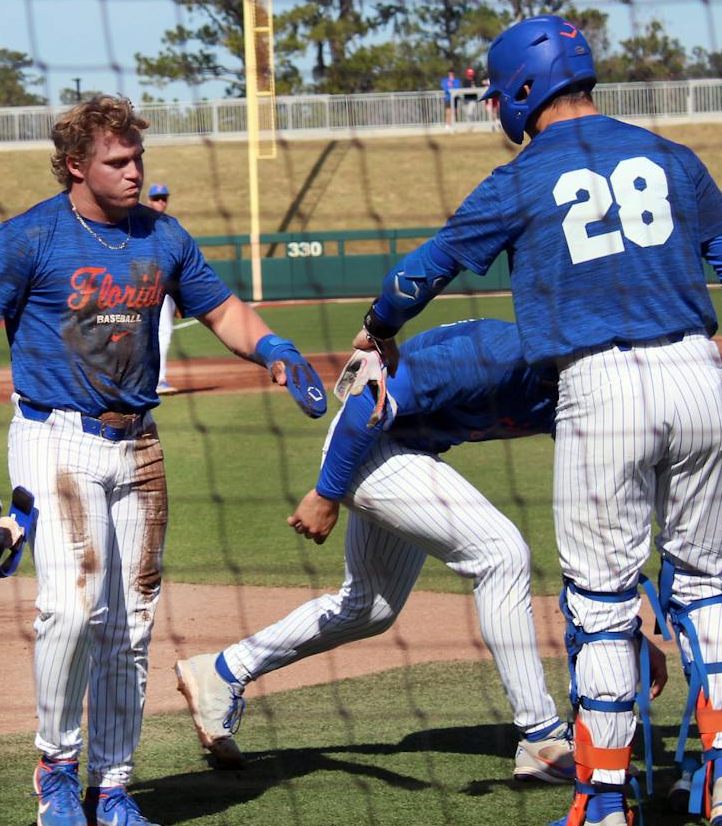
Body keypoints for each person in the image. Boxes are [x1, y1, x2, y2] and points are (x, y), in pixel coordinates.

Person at [353, 15, 722, 826]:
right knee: (706, 587)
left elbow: (423, 270)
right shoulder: (668, 152)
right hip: (697, 372)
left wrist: (378, 327)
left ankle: (605, 815)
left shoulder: (520, 178)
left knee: (600, 602)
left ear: (518, 90)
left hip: (600, 388)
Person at [0, 95, 328, 826]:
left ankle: (114, 785)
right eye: (117, 160)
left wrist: (276, 349)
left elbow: (223, 310)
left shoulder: (163, 236)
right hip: (55, 439)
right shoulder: (29, 237)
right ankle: (54, 765)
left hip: (138, 446)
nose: (134, 170)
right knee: (72, 610)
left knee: (133, 625)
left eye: (137, 157)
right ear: (76, 164)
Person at [175, 317, 671, 777]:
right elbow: (364, 403)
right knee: (502, 555)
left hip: (409, 453)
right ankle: (541, 737)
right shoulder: (488, 356)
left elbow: (591, 508)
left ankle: (221, 672)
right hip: (368, 443)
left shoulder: (582, 386)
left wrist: (618, 629)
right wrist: (326, 493)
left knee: (368, 608)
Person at [146, 183, 179, 394]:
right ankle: (157, 380)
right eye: (156, 198)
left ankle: (158, 379)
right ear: (149, 200)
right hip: (148, 285)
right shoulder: (141, 222)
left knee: (164, 331)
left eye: (163, 198)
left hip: (166, 286)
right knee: (159, 331)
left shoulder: (170, 224)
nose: (160, 202)